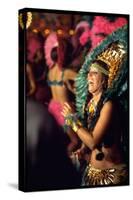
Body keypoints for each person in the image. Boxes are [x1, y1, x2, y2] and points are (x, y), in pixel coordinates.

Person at [62, 25, 129, 186]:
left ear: (104, 80)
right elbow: (90, 136)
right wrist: (83, 149)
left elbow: (94, 141)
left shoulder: (109, 105)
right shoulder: (90, 103)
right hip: (91, 172)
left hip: (112, 175)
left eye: (94, 74)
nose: (89, 77)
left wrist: (72, 121)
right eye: (88, 73)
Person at [44, 32, 80, 154]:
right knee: (75, 141)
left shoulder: (50, 71)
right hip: (65, 111)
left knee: (61, 140)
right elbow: (85, 80)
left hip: (52, 108)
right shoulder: (66, 72)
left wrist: (69, 87)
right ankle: (64, 165)